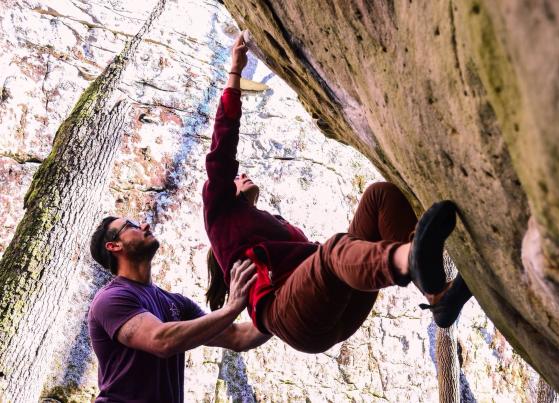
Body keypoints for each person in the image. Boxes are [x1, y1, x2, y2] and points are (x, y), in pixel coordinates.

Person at [203, 34, 472, 354]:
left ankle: (437, 296)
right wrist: (235, 71)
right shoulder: (218, 216)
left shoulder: (263, 232)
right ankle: (409, 258)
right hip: (293, 317)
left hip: (336, 306)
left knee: (379, 197)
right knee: (331, 252)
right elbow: (222, 148)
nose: (242, 174)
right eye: (236, 177)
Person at [88, 217, 270, 402]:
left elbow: (238, 337)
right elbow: (161, 341)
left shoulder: (176, 303)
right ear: (114, 246)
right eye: (131, 226)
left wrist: (284, 302)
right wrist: (232, 307)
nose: (145, 225)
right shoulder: (110, 299)